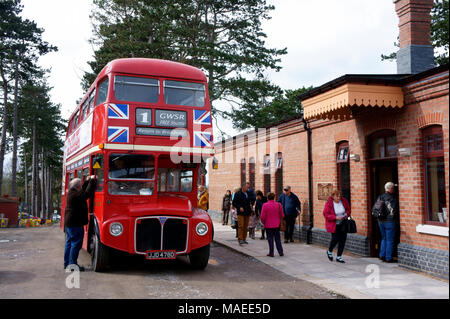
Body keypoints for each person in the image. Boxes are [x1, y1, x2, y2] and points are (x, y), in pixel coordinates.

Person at [64, 175, 96, 271]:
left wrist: (86, 181)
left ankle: (67, 264)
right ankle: (72, 265)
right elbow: (86, 194)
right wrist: (91, 181)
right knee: (76, 244)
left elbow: (82, 191)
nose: (81, 186)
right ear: (78, 186)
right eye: (80, 185)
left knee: (69, 244)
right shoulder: (76, 195)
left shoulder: (71, 193)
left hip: (70, 223)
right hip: (75, 224)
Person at [323, 189, 351, 263]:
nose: (339, 198)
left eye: (339, 196)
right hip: (334, 224)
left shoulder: (344, 201)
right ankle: (329, 251)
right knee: (335, 239)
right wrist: (335, 217)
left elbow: (348, 209)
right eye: (337, 196)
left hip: (343, 224)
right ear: (333, 196)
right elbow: (326, 214)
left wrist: (346, 214)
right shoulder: (329, 203)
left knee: (343, 240)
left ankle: (339, 257)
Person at [375, 182, 399, 263]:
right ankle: (388, 257)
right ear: (390, 189)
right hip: (390, 221)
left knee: (384, 238)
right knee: (390, 240)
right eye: (393, 188)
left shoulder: (380, 197)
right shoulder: (392, 198)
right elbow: (395, 210)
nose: (394, 190)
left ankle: (382, 255)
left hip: (380, 221)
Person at [260, 192, 284, 257]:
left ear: (267, 198)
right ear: (274, 197)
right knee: (278, 239)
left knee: (270, 239)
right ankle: (280, 252)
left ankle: (271, 252)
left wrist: (264, 222)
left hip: (268, 225)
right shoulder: (279, 205)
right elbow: (282, 215)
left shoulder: (265, 205)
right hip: (277, 225)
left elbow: (262, 216)